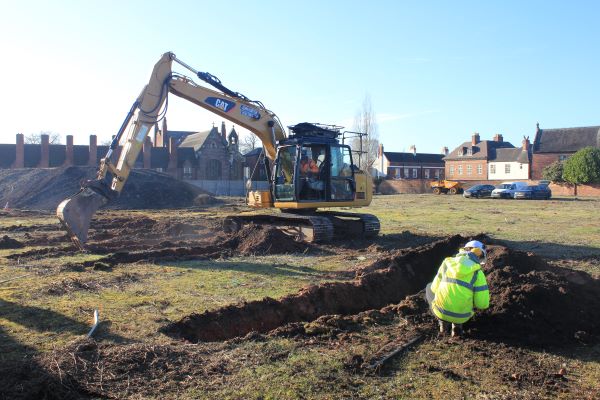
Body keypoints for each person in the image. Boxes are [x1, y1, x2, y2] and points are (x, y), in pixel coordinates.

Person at [425, 240, 490, 337]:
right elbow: (482, 304)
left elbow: (434, 288)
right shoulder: (478, 273)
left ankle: (443, 323)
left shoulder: (447, 263)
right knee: (470, 295)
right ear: (479, 256)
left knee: (429, 286)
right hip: (462, 317)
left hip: (442, 312)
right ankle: (457, 326)